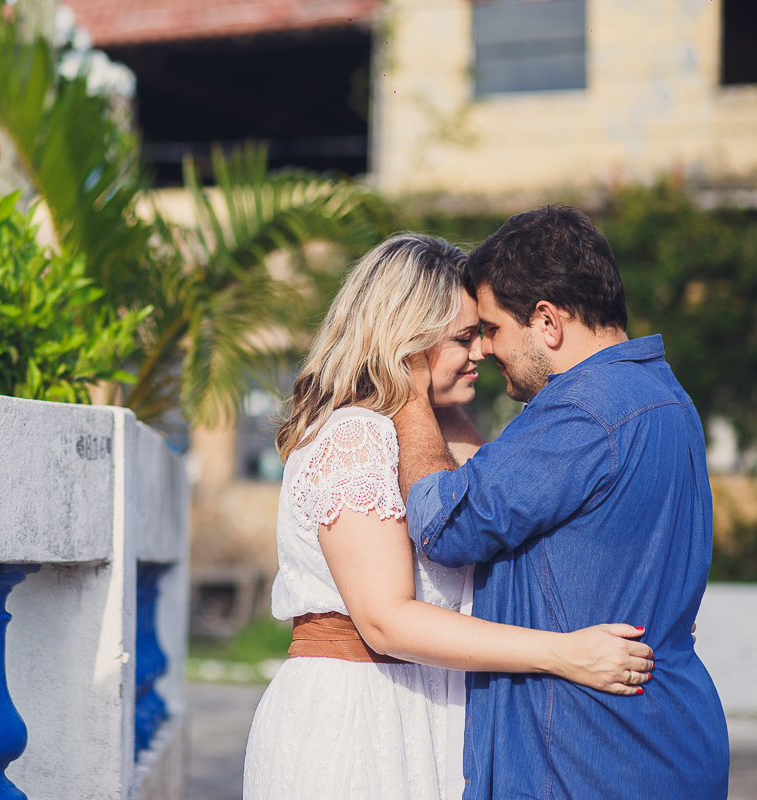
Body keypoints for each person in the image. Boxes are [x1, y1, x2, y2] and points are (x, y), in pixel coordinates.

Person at [242, 233, 653, 800]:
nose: (482, 351)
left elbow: (496, 530)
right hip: (358, 720)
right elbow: (386, 621)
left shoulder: (422, 437)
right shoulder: (355, 437)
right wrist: (562, 654)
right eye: (465, 337)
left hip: (425, 712)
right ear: (406, 341)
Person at [393, 206, 730, 799]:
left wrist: (409, 395)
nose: (486, 350)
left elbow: (446, 524)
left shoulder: (583, 410)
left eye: (492, 328)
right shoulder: (665, 398)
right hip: (662, 742)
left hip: (588, 757)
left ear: (547, 321)